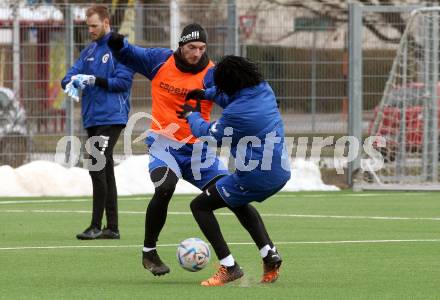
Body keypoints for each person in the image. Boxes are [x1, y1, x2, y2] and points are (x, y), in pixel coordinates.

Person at [107, 23, 228, 276]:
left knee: (230, 193)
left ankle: (262, 253)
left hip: (198, 150)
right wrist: (117, 44)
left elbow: (236, 96)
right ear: (181, 45)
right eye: (192, 47)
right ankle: (149, 252)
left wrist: (260, 101)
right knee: (164, 188)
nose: (197, 53)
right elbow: (130, 54)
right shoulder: (159, 61)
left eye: (202, 48)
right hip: (164, 145)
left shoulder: (212, 73)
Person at [179, 55, 291, 286]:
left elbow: (207, 134)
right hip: (280, 169)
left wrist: (191, 114)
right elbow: (232, 96)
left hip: (256, 175)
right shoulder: (263, 89)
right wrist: (206, 94)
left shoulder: (237, 114)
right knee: (236, 200)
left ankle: (229, 266)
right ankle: (269, 254)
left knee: (199, 206)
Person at [61, 5, 134, 240]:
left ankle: (95, 225)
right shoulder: (89, 51)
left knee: (96, 164)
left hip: (112, 117)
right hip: (92, 118)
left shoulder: (121, 49)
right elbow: (69, 75)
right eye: (88, 26)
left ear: (106, 22)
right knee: (105, 169)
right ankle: (112, 228)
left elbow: (122, 82)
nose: (90, 30)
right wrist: (71, 83)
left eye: (94, 25)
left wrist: (94, 80)